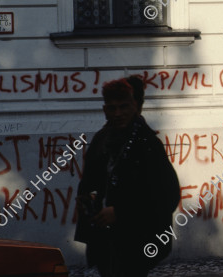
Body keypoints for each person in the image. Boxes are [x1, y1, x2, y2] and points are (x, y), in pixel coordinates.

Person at [74, 77, 180, 277]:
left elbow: (167, 196)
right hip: (105, 240)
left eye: (124, 107)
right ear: (105, 109)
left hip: (137, 241)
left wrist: (120, 212)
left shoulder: (147, 144)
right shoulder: (101, 139)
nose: (118, 113)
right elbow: (88, 182)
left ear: (135, 107)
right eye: (112, 108)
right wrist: (87, 199)